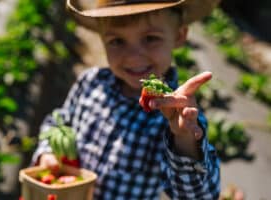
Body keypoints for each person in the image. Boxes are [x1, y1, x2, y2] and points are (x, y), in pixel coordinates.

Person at [32, 0, 221, 199]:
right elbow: (60, 121)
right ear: (102, 40)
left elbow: (201, 196)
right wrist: (48, 152)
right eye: (117, 41)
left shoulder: (178, 119)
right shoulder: (90, 83)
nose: (133, 57)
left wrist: (183, 141)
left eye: (150, 38)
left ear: (179, 36)